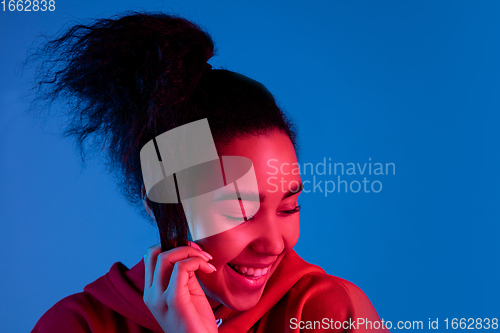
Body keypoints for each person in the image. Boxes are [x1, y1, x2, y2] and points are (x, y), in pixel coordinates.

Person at [30, 12, 389, 333]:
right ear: (160, 202)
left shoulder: (326, 311)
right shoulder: (77, 325)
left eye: (288, 208)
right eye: (239, 212)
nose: (275, 244)